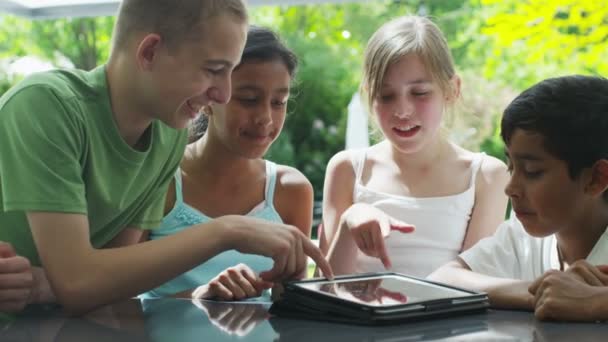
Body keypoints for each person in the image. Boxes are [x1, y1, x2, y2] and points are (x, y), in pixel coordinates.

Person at [0, 0, 331, 315]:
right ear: (150, 52)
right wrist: (227, 230)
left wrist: (47, 286)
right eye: (214, 70)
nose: (223, 94)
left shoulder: (168, 136)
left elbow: (116, 279)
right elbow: (79, 284)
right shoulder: (46, 106)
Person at [321, 15, 509, 277]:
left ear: (451, 89)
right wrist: (348, 223)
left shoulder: (487, 176)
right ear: (368, 95)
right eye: (385, 96)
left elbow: (476, 286)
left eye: (419, 93)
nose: (402, 110)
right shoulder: (347, 169)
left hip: (449, 319)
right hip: (359, 318)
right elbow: (326, 289)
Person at [140, 26, 312, 301]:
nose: (266, 118)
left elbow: (291, 309)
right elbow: (115, 303)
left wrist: (293, 286)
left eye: (279, 102)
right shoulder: (159, 179)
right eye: (249, 99)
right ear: (208, 98)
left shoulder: (291, 190)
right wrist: (198, 296)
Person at [428, 75, 608, 321]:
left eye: (533, 172)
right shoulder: (523, 238)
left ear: (596, 178)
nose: (510, 187)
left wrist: (595, 303)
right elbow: (443, 279)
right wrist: (540, 293)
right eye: (510, 166)